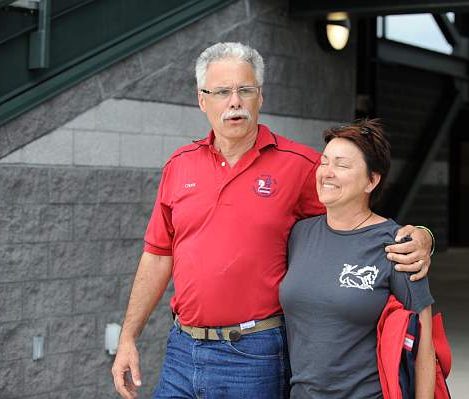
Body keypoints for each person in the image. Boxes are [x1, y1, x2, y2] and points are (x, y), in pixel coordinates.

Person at [111, 42, 434, 399]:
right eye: (222, 92)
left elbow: (355, 207)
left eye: (245, 90)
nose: (235, 102)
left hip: (255, 353)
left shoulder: (302, 166)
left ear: (259, 97)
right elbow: (158, 255)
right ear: (203, 100)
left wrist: (422, 235)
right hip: (182, 349)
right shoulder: (179, 165)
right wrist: (128, 336)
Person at [280, 120, 435, 398]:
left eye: (341, 165)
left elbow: (424, 345)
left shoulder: (397, 245)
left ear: (371, 181)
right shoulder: (300, 234)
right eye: (324, 161)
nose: (327, 173)